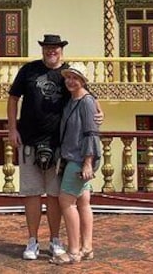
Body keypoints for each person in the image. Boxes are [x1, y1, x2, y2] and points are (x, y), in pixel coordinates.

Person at [7, 34, 102, 261]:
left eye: (56, 48)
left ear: (61, 50)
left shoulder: (67, 73)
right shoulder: (29, 70)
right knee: (31, 193)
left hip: (59, 146)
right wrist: (12, 129)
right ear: (43, 50)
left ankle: (55, 239)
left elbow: (86, 92)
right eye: (48, 48)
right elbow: (13, 98)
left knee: (54, 195)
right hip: (29, 140)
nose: (52, 51)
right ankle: (32, 240)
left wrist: (100, 109)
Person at [50, 62, 101, 265]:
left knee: (66, 201)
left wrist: (88, 162)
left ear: (83, 81)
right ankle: (87, 247)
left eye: (75, 78)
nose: (71, 81)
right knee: (83, 202)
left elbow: (91, 133)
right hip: (74, 156)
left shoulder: (86, 102)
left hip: (80, 158)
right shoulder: (73, 100)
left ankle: (73, 251)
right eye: (68, 77)